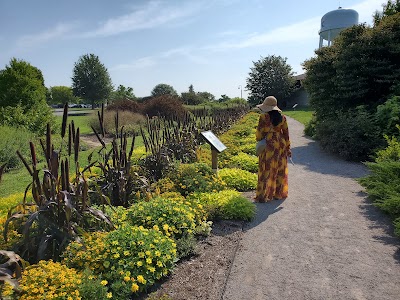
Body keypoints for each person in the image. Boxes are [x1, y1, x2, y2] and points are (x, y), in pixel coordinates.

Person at [255, 96, 291, 202]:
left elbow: (259, 134)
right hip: (280, 144)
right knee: (280, 168)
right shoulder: (283, 117)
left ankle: (263, 195)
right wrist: (288, 148)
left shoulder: (263, 117)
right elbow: (286, 134)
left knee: (265, 169)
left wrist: (261, 139)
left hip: (268, 145)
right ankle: (277, 193)